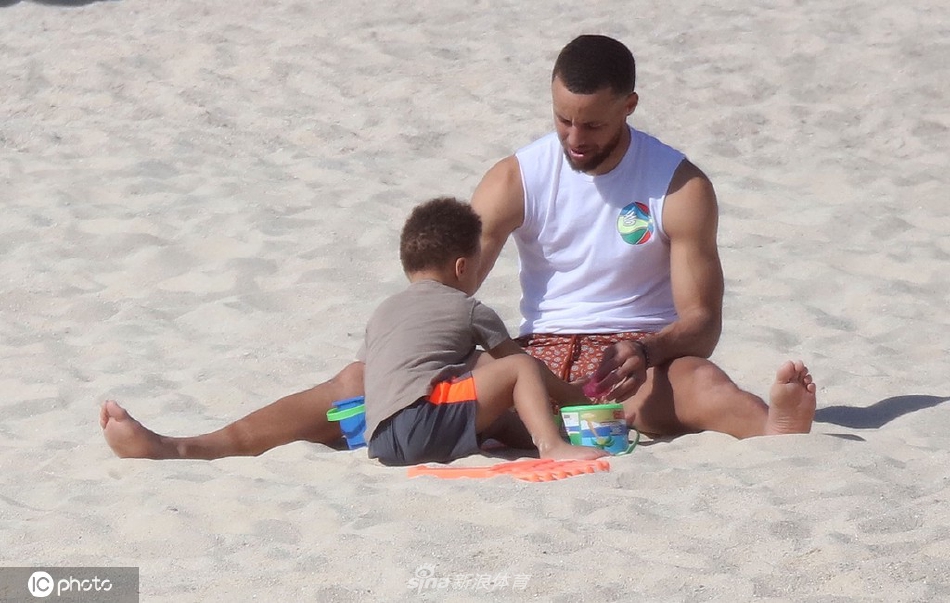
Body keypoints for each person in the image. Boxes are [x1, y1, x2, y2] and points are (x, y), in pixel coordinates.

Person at [100, 34, 815, 461]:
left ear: (629, 105)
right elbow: (447, 282)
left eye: (593, 125)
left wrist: (650, 348)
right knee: (360, 380)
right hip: (538, 361)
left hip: (636, 365)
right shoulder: (515, 178)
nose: (574, 139)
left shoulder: (679, 185)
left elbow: (702, 320)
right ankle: (187, 446)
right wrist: (413, 352)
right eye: (562, 119)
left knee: (703, 381)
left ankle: (774, 427)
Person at [361, 196, 605, 465]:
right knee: (519, 367)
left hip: (381, 439)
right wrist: (569, 395)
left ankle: (541, 438)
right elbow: (521, 364)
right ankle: (552, 446)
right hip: (422, 421)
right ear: (461, 267)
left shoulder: (383, 311)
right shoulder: (466, 307)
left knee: (489, 394)